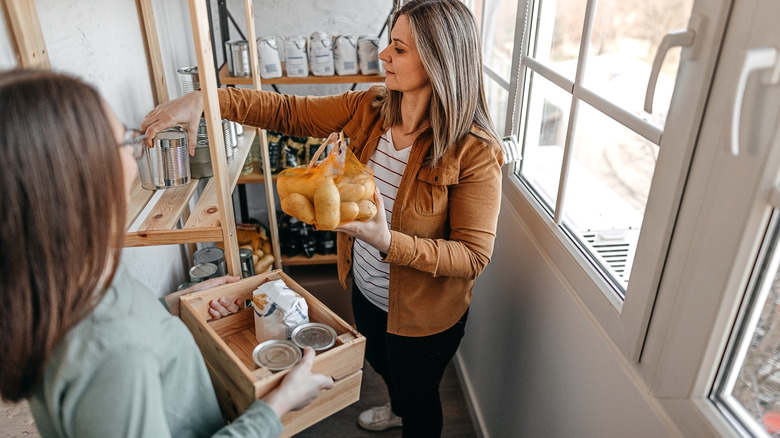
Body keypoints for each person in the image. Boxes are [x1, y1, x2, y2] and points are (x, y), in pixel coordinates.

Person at [141, 0, 502, 435]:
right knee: (382, 366)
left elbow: (472, 257)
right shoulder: (370, 108)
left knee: (420, 398)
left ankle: (405, 410)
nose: (384, 55)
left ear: (441, 61)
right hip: (366, 291)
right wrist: (205, 99)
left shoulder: (477, 152)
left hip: (425, 318)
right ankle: (394, 404)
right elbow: (285, 111)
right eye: (390, 42)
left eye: (400, 49)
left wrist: (387, 241)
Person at [0, 69, 334, 438]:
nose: (138, 148)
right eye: (126, 142)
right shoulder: (115, 354)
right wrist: (278, 404)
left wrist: (169, 308)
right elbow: (110, 348)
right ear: (82, 176)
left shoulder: (61, 273)